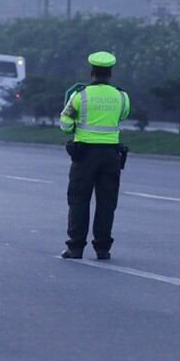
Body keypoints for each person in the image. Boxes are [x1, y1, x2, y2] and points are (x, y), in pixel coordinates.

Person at [59, 51, 130, 260]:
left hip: (85, 155)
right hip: (111, 155)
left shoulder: (80, 96)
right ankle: (102, 249)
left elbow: (64, 125)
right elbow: (123, 115)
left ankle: (76, 247)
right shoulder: (121, 96)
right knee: (107, 202)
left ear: (92, 72)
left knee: (79, 200)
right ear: (110, 74)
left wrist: (74, 124)